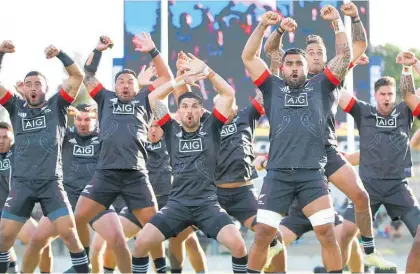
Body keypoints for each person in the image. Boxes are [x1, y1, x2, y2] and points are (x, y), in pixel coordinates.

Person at [242, 6, 353, 272]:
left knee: (327, 232)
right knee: (263, 235)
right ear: (282, 68)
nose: (294, 68)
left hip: (312, 175)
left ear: (307, 67)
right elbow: (248, 56)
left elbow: (345, 54)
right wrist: (264, 27)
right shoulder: (272, 86)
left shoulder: (322, 85)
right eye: (289, 64)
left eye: (299, 64)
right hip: (277, 175)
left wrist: (337, 22)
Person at [131, 55, 248, 274]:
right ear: (179, 111)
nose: (189, 110)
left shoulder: (212, 127)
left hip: (207, 204)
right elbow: (154, 97)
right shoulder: (171, 130)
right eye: (184, 106)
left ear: (201, 111)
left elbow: (228, 94)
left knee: (239, 245)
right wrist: (179, 80)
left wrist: (208, 72)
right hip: (177, 204)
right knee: (140, 245)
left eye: (194, 106)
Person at [74, 34, 173, 273]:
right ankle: (82, 263)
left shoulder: (145, 99)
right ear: (115, 85)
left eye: (130, 81)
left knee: (154, 226)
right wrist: (97, 51)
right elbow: (86, 75)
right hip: (105, 174)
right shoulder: (104, 98)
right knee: (76, 217)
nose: (126, 85)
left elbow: (167, 78)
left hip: (135, 175)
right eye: (121, 81)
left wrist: (152, 51)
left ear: (137, 86)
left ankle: (161, 267)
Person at [0, 40, 89, 273]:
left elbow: (77, 77)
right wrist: (0, 54)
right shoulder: (15, 107)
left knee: (70, 236)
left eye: (37, 83)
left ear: (45, 89)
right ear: (24, 89)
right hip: (21, 183)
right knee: (3, 239)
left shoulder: (57, 104)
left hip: (51, 184)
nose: (32, 87)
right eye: (28, 84)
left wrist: (61, 54)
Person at [340, 51, 420, 273]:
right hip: (368, 186)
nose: (386, 98)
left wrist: (414, 65)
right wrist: (351, 64)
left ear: (395, 96)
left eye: (390, 94)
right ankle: (352, 269)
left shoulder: (405, 110)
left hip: (398, 186)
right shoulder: (363, 111)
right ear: (375, 95)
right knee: (344, 234)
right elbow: (337, 91)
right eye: (382, 93)